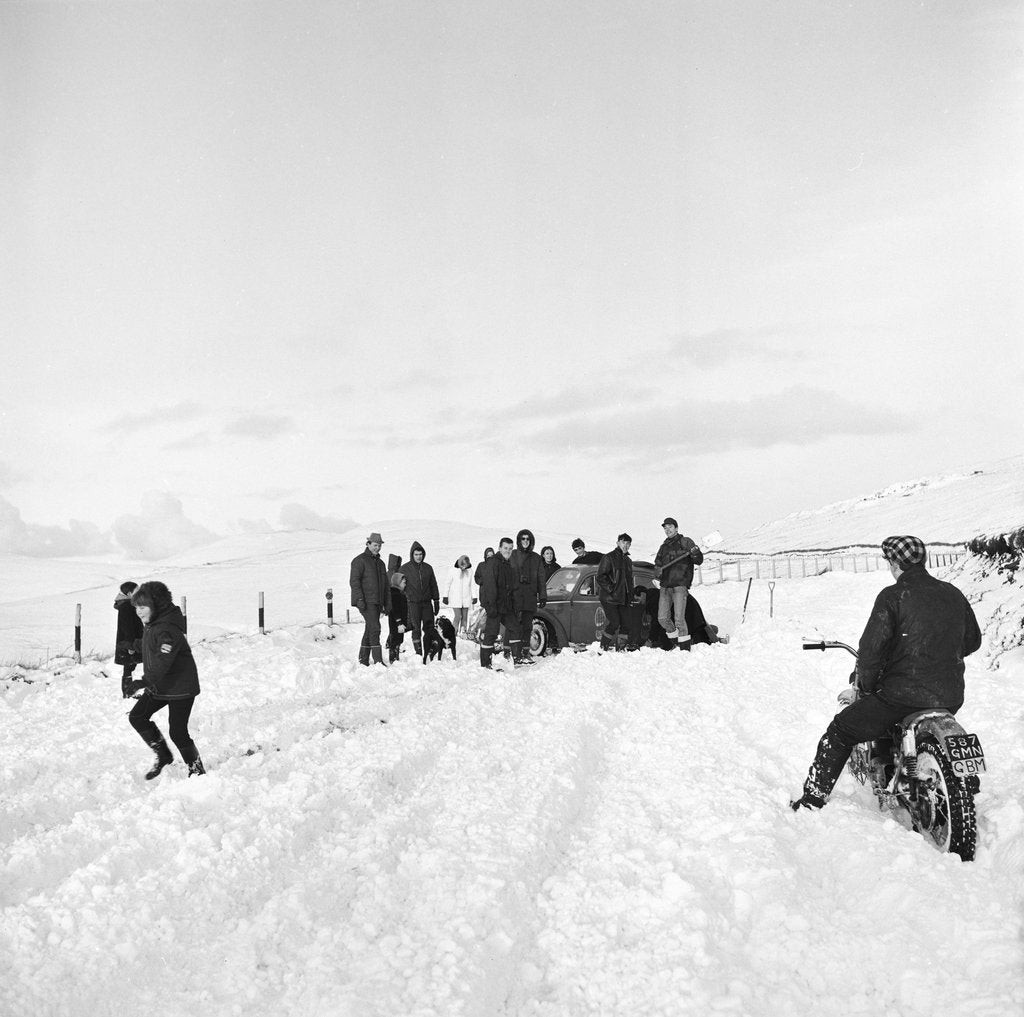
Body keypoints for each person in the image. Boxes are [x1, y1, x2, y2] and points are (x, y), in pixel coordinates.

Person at [791, 535, 982, 811]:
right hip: (949, 695)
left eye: (890, 562)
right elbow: (973, 640)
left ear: (895, 563)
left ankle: (812, 800)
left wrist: (867, 686)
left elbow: (870, 651)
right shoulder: (952, 593)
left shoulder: (893, 596)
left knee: (841, 730)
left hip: (902, 695)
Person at [123, 581, 204, 779]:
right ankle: (164, 755)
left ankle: (197, 771)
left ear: (156, 605)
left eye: (142, 607)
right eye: (136, 608)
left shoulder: (167, 629)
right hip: (161, 685)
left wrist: (142, 682)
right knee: (137, 717)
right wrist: (134, 645)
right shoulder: (155, 624)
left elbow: (163, 659)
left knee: (178, 732)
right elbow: (153, 643)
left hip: (180, 688)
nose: (138, 612)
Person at [654, 517, 704, 650]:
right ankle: (676, 641)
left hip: (680, 586)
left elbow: (698, 560)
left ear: (676, 528)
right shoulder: (663, 547)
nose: (667, 529)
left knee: (679, 619)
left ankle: (684, 649)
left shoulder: (686, 542)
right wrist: (657, 570)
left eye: (670, 526)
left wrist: (695, 553)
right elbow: (657, 564)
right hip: (665, 587)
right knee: (662, 618)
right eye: (665, 528)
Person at [349, 532, 392, 666]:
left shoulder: (381, 563)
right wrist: (359, 599)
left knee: (370, 628)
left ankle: (363, 659)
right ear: (368, 544)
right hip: (366, 601)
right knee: (375, 628)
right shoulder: (359, 560)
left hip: (377, 602)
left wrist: (387, 603)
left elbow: (385, 586)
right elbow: (354, 581)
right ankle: (378, 661)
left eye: (379, 545)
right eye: (375, 545)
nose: (377, 548)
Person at [478, 537, 520, 668]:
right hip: (495, 607)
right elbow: (489, 586)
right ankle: (485, 664)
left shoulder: (508, 564)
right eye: (505, 548)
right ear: (500, 548)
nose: (508, 550)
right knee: (491, 634)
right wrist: (490, 606)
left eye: (510, 548)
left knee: (515, 628)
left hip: (506, 607)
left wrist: (513, 605)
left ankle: (516, 659)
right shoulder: (493, 563)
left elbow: (511, 587)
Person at [509, 528, 546, 665]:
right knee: (515, 627)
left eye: (527, 539)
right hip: (515, 597)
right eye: (522, 538)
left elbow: (541, 578)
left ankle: (525, 654)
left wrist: (542, 596)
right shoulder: (512, 555)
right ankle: (515, 654)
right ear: (519, 540)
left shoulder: (536, 558)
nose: (525, 541)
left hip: (530, 597)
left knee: (527, 627)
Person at [400, 541, 440, 658]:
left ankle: (429, 650)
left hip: (427, 603)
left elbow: (433, 585)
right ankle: (418, 653)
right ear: (412, 555)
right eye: (416, 554)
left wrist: (436, 601)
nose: (419, 557)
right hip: (413, 604)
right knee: (416, 628)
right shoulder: (404, 568)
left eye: (420, 554)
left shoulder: (428, 568)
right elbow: (400, 587)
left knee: (429, 627)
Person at [597, 534, 635, 651]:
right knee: (614, 622)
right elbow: (600, 577)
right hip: (610, 598)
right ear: (618, 542)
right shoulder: (608, 558)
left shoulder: (628, 561)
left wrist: (631, 594)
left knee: (626, 624)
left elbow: (628, 580)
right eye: (624, 542)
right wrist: (612, 590)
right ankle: (603, 647)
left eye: (628, 543)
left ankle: (621, 649)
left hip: (624, 598)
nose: (626, 545)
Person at [113, 580, 144, 698]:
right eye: (137, 591)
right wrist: (131, 645)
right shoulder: (127, 607)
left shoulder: (128, 605)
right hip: (130, 642)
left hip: (130, 641)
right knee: (130, 665)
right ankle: (128, 693)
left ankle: (128, 692)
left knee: (129, 666)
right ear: (130, 593)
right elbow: (127, 627)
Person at [445, 555, 476, 637]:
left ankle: (463, 634)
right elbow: (447, 584)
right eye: (462, 565)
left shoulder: (470, 571)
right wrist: (445, 596)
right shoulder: (452, 571)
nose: (463, 567)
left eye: (465, 565)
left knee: (464, 617)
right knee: (458, 616)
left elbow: (472, 584)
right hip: (456, 598)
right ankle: (453, 633)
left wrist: (474, 596)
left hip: (466, 598)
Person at [386, 572, 409, 663]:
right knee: (395, 639)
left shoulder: (399, 593)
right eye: (403, 582)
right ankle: (393, 658)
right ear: (397, 582)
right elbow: (395, 609)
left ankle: (396, 656)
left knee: (398, 639)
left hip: (399, 621)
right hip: (396, 622)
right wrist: (399, 622)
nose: (405, 584)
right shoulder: (395, 594)